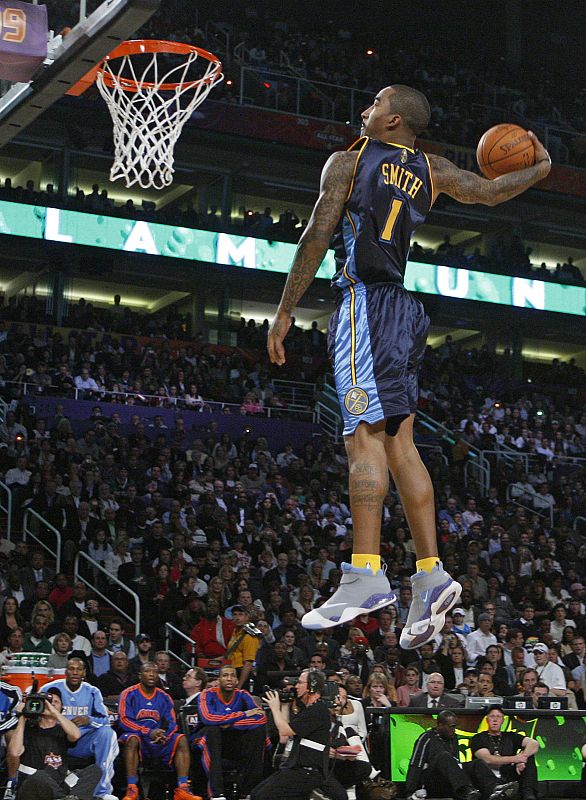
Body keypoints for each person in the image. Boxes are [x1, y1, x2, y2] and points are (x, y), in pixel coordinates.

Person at [267, 83, 551, 648]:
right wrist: (540, 167)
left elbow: (318, 232)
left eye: (374, 103)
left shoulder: (348, 161)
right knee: (401, 444)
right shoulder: (431, 168)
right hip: (403, 311)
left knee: (363, 440)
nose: (364, 110)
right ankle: (430, 573)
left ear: (393, 120)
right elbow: (491, 190)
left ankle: (366, 572)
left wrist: (283, 312)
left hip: (364, 306)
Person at [118, 662, 202, 800]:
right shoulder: (128, 694)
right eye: (147, 671)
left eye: (155, 672)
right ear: (140, 675)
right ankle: (132, 789)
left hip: (158, 740)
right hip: (138, 738)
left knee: (181, 738)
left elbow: (172, 723)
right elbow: (125, 720)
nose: (151, 674)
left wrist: (165, 735)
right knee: (132, 738)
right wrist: (148, 732)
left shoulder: (164, 697)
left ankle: (182, 789)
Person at [251, 669, 337, 800]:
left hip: (306, 772)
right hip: (294, 769)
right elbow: (284, 736)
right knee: (256, 794)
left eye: (300, 683)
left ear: (311, 687)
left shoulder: (318, 710)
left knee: (262, 796)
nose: (296, 686)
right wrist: (285, 706)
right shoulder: (307, 710)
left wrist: (274, 707)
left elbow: (286, 730)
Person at [42, 658, 118, 800]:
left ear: (84, 673)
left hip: (81, 743)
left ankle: (101, 792)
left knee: (108, 734)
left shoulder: (92, 691)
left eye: (79, 669)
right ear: (66, 671)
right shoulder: (49, 688)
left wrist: (89, 720)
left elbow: (105, 720)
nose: (75, 672)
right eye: (71, 669)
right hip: (54, 740)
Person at [8, 687, 102, 800]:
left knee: (95, 770)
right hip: (32, 786)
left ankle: (68, 797)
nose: (51, 704)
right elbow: (14, 752)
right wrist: (23, 717)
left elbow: (75, 735)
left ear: (62, 708)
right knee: (40, 775)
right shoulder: (28, 728)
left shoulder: (63, 729)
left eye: (55, 702)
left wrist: (54, 713)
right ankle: (66, 798)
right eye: (47, 702)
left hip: (59, 785)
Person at [405, 709, 518, 800]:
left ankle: (495, 788)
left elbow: (456, 765)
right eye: (452, 726)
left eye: (455, 726)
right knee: (444, 756)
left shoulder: (453, 738)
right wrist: (410, 792)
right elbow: (416, 764)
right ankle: (465, 791)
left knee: (476, 763)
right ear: (440, 725)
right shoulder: (426, 738)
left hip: (449, 782)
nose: (454, 730)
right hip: (432, 781)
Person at [194, 664, 267, 800]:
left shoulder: (243, 695)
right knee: (213, 730)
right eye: (225, 675)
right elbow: (207, 718)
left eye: (232, 676)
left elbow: (260, 718)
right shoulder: (207, 694)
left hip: (233, 742)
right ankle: (217, 794)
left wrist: (228, 724)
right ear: (219, 680)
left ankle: (248, 791)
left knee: (258, 731)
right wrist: (243, 714)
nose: (229, 679)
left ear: (237, 681)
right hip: (208, 740)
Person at [471, 706, 539, 800]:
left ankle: (528, 794)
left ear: (503, 720)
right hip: (487, 779)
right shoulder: (478, 738)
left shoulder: (510, 736)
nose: (495, 719)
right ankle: (497, 791)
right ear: (487, 720)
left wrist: (523, 759)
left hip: (508, 775)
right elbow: (487, 759)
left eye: (498, 717)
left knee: (529, 757)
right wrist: (515, 759)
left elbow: (534, 744)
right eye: (492, 716)